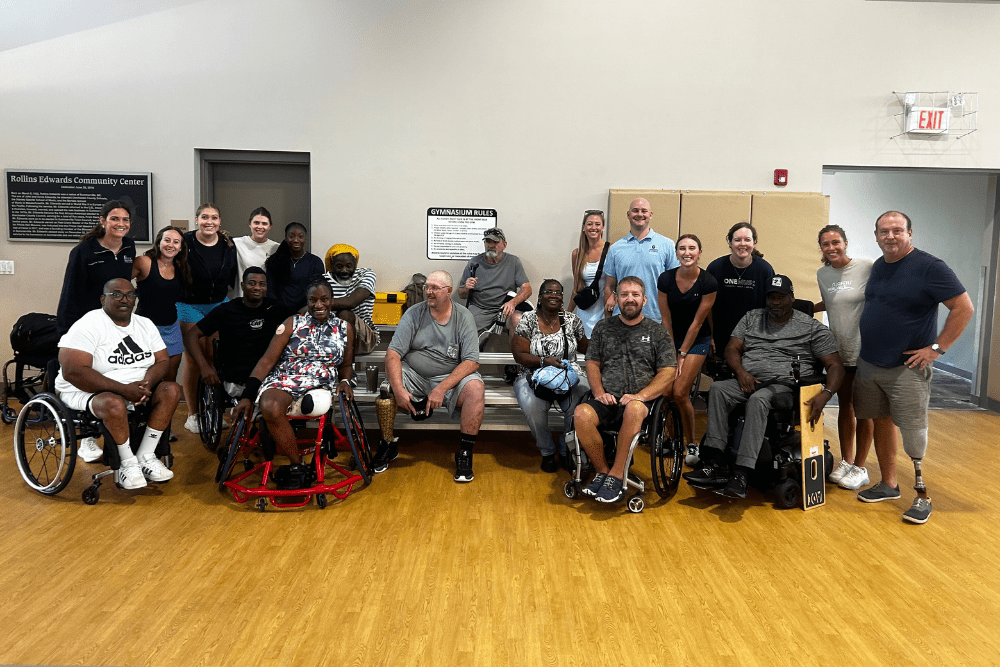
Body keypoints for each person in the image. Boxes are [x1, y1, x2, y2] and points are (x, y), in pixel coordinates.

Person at [854, 211, 973, 524]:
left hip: (906, 367)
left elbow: (963, 308)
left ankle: (922, 496)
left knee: (913, 432)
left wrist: (937, 348)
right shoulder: (880, 266)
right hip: (871, 362)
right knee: (880, 421)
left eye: (897, 231)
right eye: (884, 231)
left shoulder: (930, 267)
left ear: (909, 233)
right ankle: (889, 484)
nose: (890, 237)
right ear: (876, 235)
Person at [684, 275, 844, 499]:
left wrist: (826, 393)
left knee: (759, 399)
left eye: (781, 297)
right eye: (771, 298)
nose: (775, 302)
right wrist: (741, 373)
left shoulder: (810, 327)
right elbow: (732, 349)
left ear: (792, 298)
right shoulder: (752, 317)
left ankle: (742, 472)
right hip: (748, 379)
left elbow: (835, 365)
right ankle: (715, 462)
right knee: (718, 389)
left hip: (785, 385)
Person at [54, 278, 181, 489]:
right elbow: (73, 371)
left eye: (130, 295)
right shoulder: (88, 325)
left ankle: (146, 456)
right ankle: (126, 464)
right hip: (84, 389)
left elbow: (163, 361)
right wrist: (123, 390)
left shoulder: (145, 324)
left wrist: (146, 384)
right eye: (117, 294)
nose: (125, 299)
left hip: (135, 387)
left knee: (172, 390)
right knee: (114, 403)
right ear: (103, 298)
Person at [234, 280, 355, 489]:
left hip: (319, 382)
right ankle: (297, 464)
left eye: (324, 299)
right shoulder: (292, 322)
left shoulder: (344, 328)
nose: (319, 305)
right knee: (270, 407)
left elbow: (346, 363)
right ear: (307, 302)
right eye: (313, 300)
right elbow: (267, 360)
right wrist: (247, 395)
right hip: (286, 377)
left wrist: (345, 381)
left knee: (314, 406)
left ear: (331, 301)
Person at [375, 270, 485, 483]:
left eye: (435, 288)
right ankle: (387, 445)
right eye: (427, 287)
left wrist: (441, 388)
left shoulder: (464, 317)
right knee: (386, 390)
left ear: (449, 291)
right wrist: (398, 390)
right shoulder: (413, 313)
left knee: (475, 389)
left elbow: (472, 361)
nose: (429, 292)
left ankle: (465, 453)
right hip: (414, 374)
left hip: (449, 377)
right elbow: (393, 354)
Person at [574, 276, 676, 503]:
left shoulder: (657, 332)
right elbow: (592, 363)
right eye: (624, 294)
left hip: (642, 401)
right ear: (616, 298)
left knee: (634, 409)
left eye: (635, 295)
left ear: (644, 299)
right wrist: (599, 392)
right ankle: (602, 472)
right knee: (581, 414)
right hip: (608, 398)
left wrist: (640, 396)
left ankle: (617, 475)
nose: (630, 299)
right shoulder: (603, 328)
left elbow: (668, 371)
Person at [183, 267, 290, 446]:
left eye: (262, 284)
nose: (257, 287)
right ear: (242, 285)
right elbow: (190, 335)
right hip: (236, 377)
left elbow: (300, 324)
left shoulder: (276, 308)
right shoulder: (226, 310)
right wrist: (204, 367)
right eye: (252, 283)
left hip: (271, 378)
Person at [813, 224, 875, 491]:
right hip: (839, 350)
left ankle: (861, 467)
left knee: (865, 410)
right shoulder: (823, 274)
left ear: (846, 243)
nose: (832, 248)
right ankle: (847, 461)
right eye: (826, 244)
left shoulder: (867, 266)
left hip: (867, 351)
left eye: (836, 242)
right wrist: (797, 308)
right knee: (844, 407)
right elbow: (832, 301)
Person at [512, 279, 590, 472]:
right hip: (533, 374)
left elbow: (586, 347)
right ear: (540, 297)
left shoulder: (572, 320)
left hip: (568, 373)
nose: (553, 295)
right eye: (548, 291)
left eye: (558, 292)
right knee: (532, 408)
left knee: (580, 402)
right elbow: (519, 355)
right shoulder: (528, 320)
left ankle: (566, 449)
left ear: (562, 298)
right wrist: (543, 361)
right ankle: (547, 451)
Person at [656, 233, 717, 466]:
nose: (687, 252)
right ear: (676, 253)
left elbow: (697, 323)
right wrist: (672, 352)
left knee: (680, 392)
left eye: (692, 248)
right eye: (682, 248)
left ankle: (691, 443)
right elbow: (666, 318)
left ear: (699, 253)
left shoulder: (709, 282)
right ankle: (673, 440)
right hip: (670, 337)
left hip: (697, 340)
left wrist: (682, 354)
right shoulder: (665, 279)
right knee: (667, 391)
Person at [178, 203, 238, 433]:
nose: (209, 221)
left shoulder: (227, 244)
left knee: (214, 359)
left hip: (218, 305)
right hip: (188, 305)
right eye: (204, 217)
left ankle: (215, 411)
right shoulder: (185, 242)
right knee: (194, 359)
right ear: (196, 220)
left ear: (220, 221)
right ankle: (193, 415)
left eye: (214, 217)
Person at [56, 199, 137, 336]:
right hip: (90, 323)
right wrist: (66, 333)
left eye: (125, 220)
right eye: (115, 219)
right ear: (103, 221)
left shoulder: (129, 247)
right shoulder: (84, 251)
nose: (121, 224)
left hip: (118, 322)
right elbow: (70, 293)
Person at [602, 198, 679, 322]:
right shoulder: (615, 248)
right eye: (635, 211)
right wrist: (608, 321)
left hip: (656, 318)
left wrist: (668, 318)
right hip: (622, 318)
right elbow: (609, 287)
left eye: (644, 211)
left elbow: (675, 284)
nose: (639, 214)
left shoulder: (667, 245)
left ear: (650, 215)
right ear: (628, 214)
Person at [705, 222, 774, 359]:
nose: (743, 244)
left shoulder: (765, 270)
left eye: (747, 240)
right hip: (721, 337)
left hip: (754, 338)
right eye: (737, 240)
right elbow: (707, 307)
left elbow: (771, 307)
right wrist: (710, 336)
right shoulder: (715, 268)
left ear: (754, 242)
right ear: (729, 242)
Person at [133, 226, 192, 383]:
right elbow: (119, 283)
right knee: (146, 379)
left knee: (170, 379)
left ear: (180, 247)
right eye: (167, 240)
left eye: (176, 242)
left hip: (171, 327)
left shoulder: (181, 267)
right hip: (145, 329)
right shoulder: (144, 262)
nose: (171, 245)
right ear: (159, 242)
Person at [457, 228, 532, 337]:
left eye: (495, 242)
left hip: (505, 308)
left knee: (519, 322)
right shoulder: (474, 262)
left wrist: (513, 303)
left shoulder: (513, 261)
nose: (491, 245)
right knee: (463, 329)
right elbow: (461, 294)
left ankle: (517, 353)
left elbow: (527, 289)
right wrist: (466, 288)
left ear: (504, 245)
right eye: (488, 242)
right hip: (480, 308)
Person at [322, 243, 380, 356]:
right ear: (332, 266)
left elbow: (351, 302)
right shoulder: (323, 280)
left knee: (344, 314)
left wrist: (318, 304)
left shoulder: (366, 275)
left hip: (364, 338)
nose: (344, 270)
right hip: (331, 334)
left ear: (355, 264)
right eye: (339, 266)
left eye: (349, 266)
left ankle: (347, 366)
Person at [265, 222, 325, 313]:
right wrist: (276, 310)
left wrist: (308, 308)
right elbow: (270, 290)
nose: (296, 240)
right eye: (291, 236)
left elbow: (319, 290)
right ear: (286, 238)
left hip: (307, 312)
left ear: (305, 239)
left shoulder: (315, 262)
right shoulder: (275, 260)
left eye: (300, 237)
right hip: (279, 312)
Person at [569, 210, 609, 337]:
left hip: (605, 312)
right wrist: (566, 313)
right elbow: (577, 288)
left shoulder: (611, 250)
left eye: (597, 224)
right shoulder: (577, 254)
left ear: (602, 228)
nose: (593, 227)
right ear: (583, 227)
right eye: (589, 224)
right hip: (584, 312)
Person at [232, 206, 279, 298]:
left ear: (270, 226)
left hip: (266, 301)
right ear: (250, 224)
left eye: (264, 223)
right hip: (241, 299)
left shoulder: (276, 248)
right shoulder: (237, 243)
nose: (260, 227)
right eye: (256, 223)